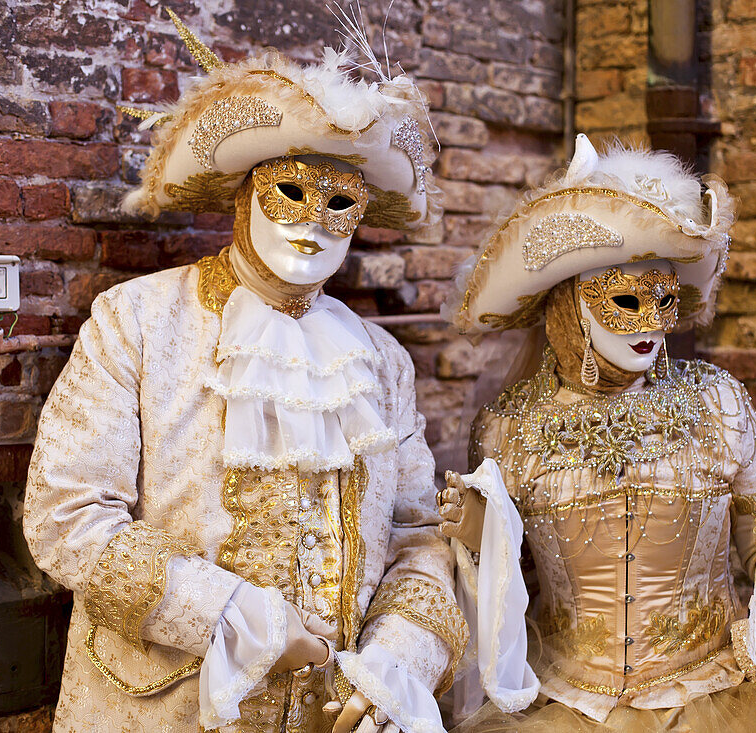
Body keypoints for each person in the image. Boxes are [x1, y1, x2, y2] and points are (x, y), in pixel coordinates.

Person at [23, 10, 465, 733]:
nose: (314, 221)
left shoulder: (381, 363)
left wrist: (396, 666)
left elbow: (418, 534)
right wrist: (237, 619)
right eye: (290, 191)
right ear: (244, 192)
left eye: (340, 203)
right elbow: (66, 517)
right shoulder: (135, 320)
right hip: (166, 710)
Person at [435, 135, 756, 731]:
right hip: (568, 701)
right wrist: (477, 535)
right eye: (625, 299)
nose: (650, 324)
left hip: (713, 689)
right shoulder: (509, 428)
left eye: (664, 300)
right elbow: (511, 583)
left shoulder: (717, 402)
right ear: (571, 304)